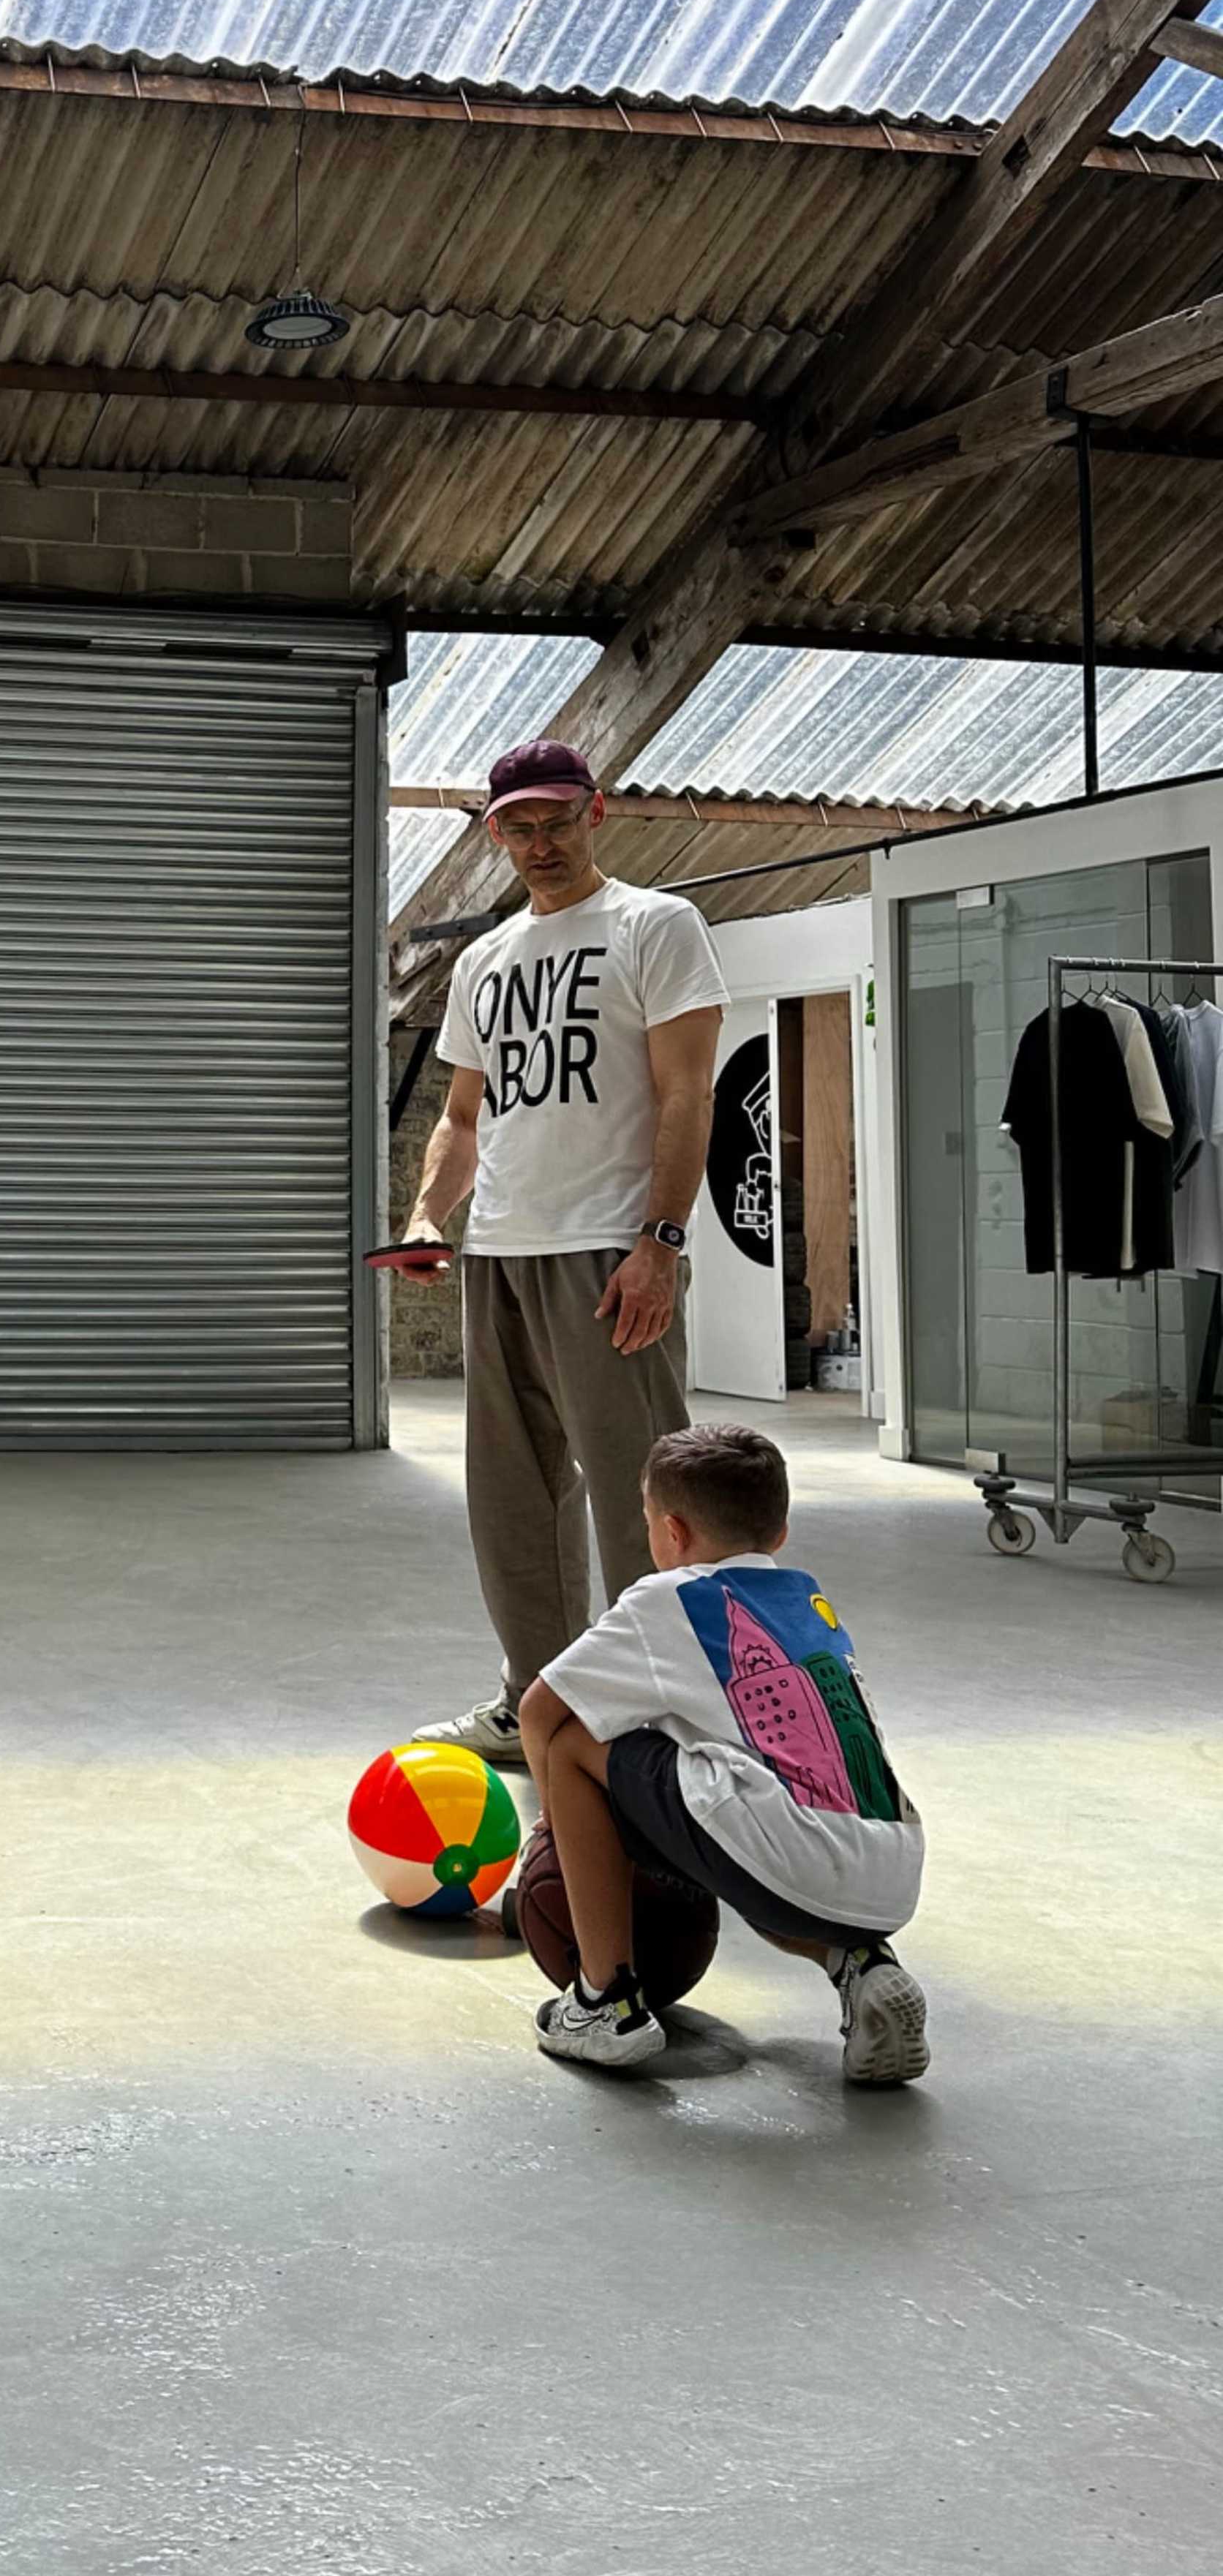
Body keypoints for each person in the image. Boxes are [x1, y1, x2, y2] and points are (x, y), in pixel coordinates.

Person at [398, 737, 727, 1768]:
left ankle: (663, 1711)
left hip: (606, 1250)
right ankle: (536, 1696)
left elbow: (687, 1093)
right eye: (517, 826)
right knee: (514, 1498)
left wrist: (661, 1242)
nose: (539, 842)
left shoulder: (655, 926)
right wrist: (425, 1219)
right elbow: (463, 1115)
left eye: (556, 819)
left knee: (644, 1496)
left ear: (596, 813)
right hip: (500, 1251)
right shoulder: (485, 961)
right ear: (494, 834)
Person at [519, 1420, 927, 2085]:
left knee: (574, 1746)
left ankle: (605, 2006)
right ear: (779, 1533)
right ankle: (862, 1967)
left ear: (672, 1532)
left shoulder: (669, 1596)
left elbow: (540, 1712)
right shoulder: (808, 1600)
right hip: (892, 1869)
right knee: (739, 1806)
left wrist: (561, 1828)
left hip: (786, 1853)